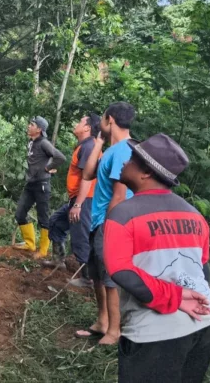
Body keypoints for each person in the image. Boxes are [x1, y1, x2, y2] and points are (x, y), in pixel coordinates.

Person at [105, 134, 210, 382]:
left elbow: (120, 271)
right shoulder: (194, 214)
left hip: (155, 333)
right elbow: (203, 268)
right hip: (205, 322)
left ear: (145, 172)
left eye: (132, 159)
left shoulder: (123, 214)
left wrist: (176, 297)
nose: (125, 162)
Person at [76, 102, 135, 345]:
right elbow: (87, 175)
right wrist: (99, 144)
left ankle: (114, 331)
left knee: (111, 279)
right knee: (98, 275)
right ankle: (102, 321)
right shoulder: (111, 150)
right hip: (98, 221)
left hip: (112, 222)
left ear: (109, 120)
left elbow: (119, 196)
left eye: (102, 117)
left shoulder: (124, 151)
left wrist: (110, 228)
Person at [42, 115, 100, 285]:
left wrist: (78, 204)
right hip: (78, 199)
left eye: (80, 122)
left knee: (81, 236)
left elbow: (87, 178)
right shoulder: (84, 146)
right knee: (56, 222)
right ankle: (58, 260)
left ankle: (87, 278)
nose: (77, 124)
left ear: (87, 128)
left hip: (85, 200)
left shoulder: (90, 146)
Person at [13, 117, 66, 257]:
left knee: (43, 217)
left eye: (32, 124)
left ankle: (43, 250)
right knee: (20, 214)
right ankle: (30, 244)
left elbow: (60, 157)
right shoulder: (32, 142)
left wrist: (49, 168)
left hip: (42, 184)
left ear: (39, 129)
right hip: (30, 184)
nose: (29, 126)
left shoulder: (44, 143)